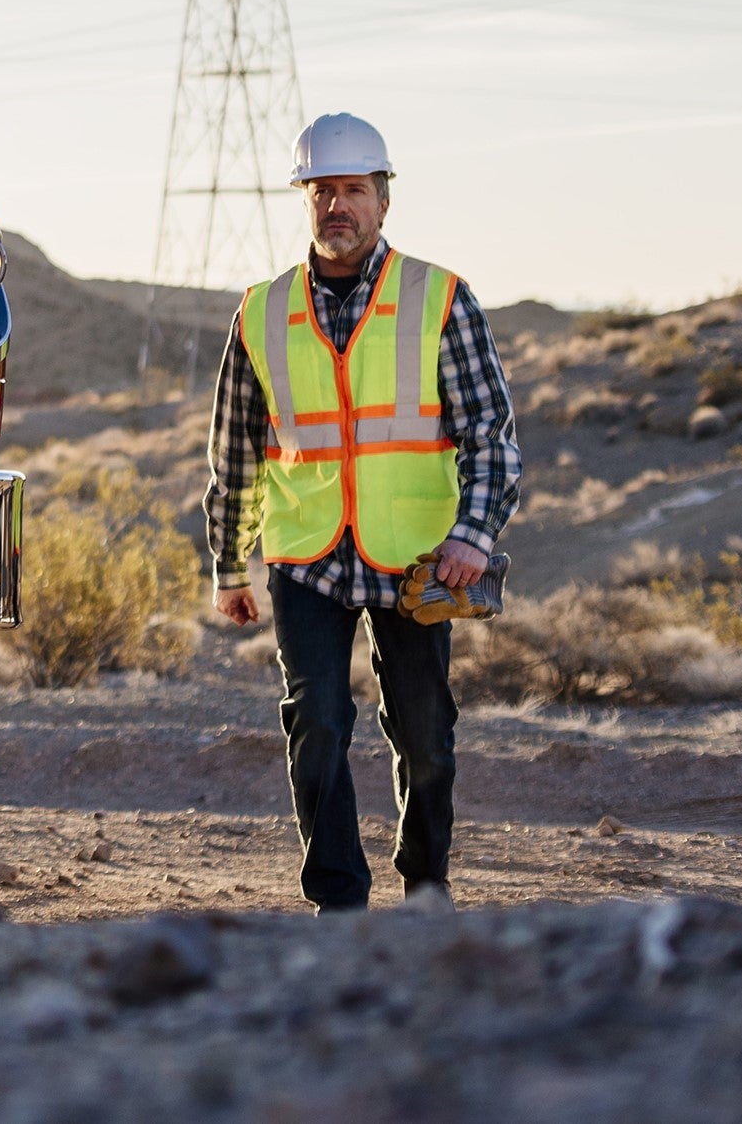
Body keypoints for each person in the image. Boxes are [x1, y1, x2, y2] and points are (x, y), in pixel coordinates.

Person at [201, 112, 521, 914]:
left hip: (416, 554)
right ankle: (337, 901)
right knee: (315, 720)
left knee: (425, 738)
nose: (336, 206)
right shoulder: (261, 312)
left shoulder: (439, 298)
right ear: (304, 201)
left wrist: (472, 536)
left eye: (353, 190)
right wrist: (228, 565)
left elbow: (490, 431)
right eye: (322, 192)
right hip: (305, 554)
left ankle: (425, 884)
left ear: (382, 201)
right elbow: (236, 451)